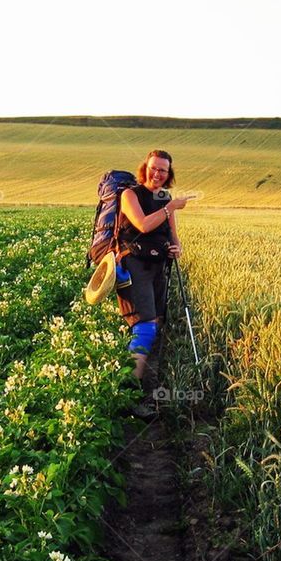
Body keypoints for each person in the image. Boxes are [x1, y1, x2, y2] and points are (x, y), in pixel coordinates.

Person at [115, 150, 194, 390]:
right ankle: (129, 392)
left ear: (169, 173)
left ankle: (145, 384)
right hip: (134, 267)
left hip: (159, 267)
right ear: (145, 168)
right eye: (154, 167)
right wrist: (170, 207)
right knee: (145, 326)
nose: (157, 173)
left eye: (163, 170)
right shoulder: (130, 195)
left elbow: (174, 236)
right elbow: (143, 224)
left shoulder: (164, 197)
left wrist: (175, 249)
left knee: (155, 323)